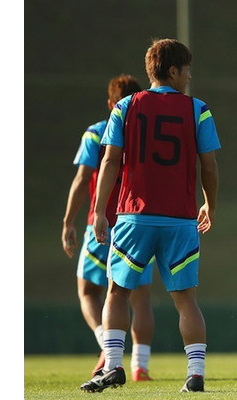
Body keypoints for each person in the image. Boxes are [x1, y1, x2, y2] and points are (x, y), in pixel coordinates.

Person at [79, 38, 220, 393]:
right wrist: (210, 203)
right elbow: (210, 166)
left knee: (117, 291)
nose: (189, 75)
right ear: (173, 71)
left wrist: (98, 211)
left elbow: (110, 160)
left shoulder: (125, 107)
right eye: (186, 69)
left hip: (133, 217)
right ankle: (196, 374)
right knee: (185, 298)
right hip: (180, 218)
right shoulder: (198, 109)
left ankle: (112, 366)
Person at [61, 74, 155, 382]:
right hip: (139, 222)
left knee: (90, 290)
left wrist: (68, 220)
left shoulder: (97, 133)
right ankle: (141, 365)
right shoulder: (147, 136)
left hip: (100, 223)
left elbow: (81, 179)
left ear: (110, 104)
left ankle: (106, 343)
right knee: (140, 296)